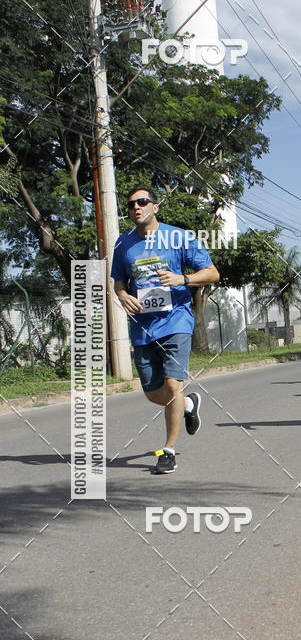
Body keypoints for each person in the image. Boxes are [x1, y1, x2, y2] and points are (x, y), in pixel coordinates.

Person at [110, 185, 220, 474]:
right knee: (152, 393)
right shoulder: (123, 245)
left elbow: (212, 272)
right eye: (131, 203)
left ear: (155, 207)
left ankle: (168, 450)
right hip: (143, 327)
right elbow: (118, 282)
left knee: (173, 385)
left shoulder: (179, 237)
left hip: (176, 321)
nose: (136, 207)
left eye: (143, 202)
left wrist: (181, 278)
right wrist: (122, 296)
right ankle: (187, 405)